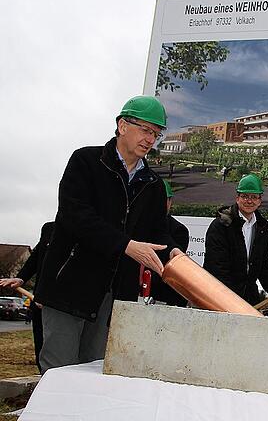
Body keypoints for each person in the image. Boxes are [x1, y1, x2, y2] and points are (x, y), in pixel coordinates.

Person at [34, 96, 184, 373]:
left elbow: (158, 230)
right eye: (145, 130)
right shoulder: (86, 161)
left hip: (111, 295)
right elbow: (75, 216)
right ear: (122, 125)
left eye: (156, 133)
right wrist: (126, 245)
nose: (151, 139)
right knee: (59, 372)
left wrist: (173, 250)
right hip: (69, 284)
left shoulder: (152, 184)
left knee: (94, 371)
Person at [204, 174, 268, 305]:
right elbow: (216, 267)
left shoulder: (262, 227)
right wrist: (230, 299)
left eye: (254, 197)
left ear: (260, 200)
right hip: (220, 296)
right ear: (237, 198)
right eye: (245, 196)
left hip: (249, 295)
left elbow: (264, 263)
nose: (249, 201)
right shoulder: (221, 225)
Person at [0, 220, 55, 371]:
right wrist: (21, 278)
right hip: (39, 303)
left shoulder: (84, 230)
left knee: (58, 353)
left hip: (63, 307)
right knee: (42, 351)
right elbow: (36, 257)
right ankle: (44, 384)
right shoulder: (49, 229)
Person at [150, 180, 190, 307]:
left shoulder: (179, 230)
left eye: (165, 200)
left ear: (170, 202)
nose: (161, 204)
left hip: (162, 297)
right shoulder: (135, 225)